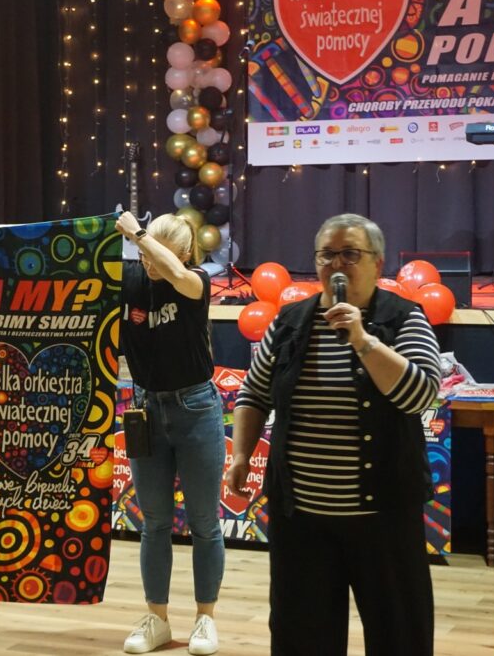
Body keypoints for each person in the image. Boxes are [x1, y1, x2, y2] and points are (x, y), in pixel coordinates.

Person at [227, 213, 441, 655]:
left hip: (383, 517)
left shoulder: (404, 319)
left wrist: (362, 339)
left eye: (350, 254)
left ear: (377, 263)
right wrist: (241, 455)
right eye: (326, 255)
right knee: (301, 637)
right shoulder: (289, 322)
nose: (337, 264)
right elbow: (253, 393)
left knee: (399, 634)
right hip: (301, 520)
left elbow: (420, 395)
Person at [116, 211, 225, 656]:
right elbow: (64, 267)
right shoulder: (130, 279)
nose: (147, 261)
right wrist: (1, 242)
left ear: (183, 253)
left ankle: (205, 620)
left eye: (157, 253)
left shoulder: (195, 281)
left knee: (204, 524)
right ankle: (157, 620)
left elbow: (178, 275)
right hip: (146, 408)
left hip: (196, 408)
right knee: (154, 523)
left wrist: (139, 234)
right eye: (142, 254)